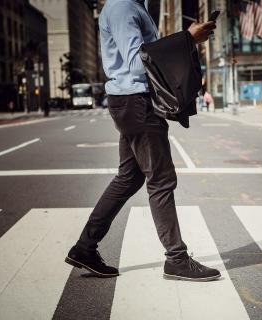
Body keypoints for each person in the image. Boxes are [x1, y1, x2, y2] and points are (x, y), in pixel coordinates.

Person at [65, 0, 220, 281]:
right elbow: (137, 64)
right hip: (136, 102)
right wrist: (187, 39)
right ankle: (176, 259)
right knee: (161, 180)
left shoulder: (134, 5)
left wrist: (186, 40)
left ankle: (85, 247)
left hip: (131, 102)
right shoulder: (124, 7)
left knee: (129, 177)